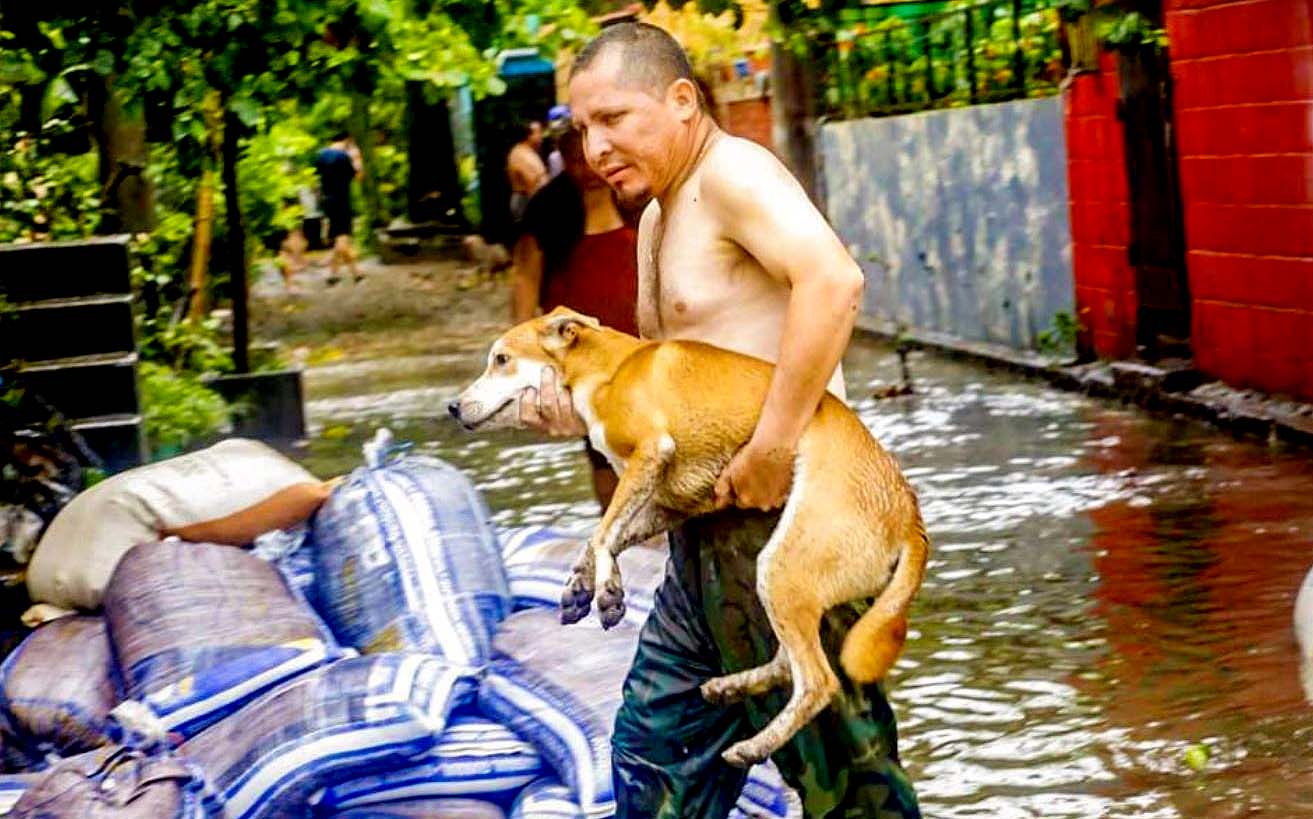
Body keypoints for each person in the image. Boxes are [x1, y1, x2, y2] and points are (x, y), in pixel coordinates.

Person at [519, 22, 921, 819]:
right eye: (580, 128)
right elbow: (663, 380)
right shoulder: (660, 218)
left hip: (789, 521)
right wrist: (582, 409)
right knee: (651, 751)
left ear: (680, 101)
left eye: (614, 119)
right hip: (701, 539)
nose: (594, 148)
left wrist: (773, 444)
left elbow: (832, 281)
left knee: (850, 786)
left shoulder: (733, 172)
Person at [511, 125, 638, 511]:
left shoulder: (637, 196)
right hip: (583, 352)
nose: (585, 168)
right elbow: (525, 279)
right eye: (574, 159)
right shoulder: (548, 208)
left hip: (641, 344)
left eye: (589, 157)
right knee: (601, 448)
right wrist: (523, 354)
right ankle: (616, 528)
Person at [314, 131, 363, 286]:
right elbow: (359, 176)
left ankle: (333, 274)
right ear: (347, 141)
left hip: (327, 202)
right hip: (342, 201)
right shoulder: (343, 157)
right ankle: (356, 273)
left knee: (338, 237)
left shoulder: (320, 155)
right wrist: (356, 158)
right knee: (343, 238)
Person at [506, 121, 549, 224]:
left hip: (532, 200)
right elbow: (533, 184)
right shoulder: (521, 154)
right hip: (526, 201)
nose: (541, 135)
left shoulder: (528, 151)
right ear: (529, 136)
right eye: (538, 132)